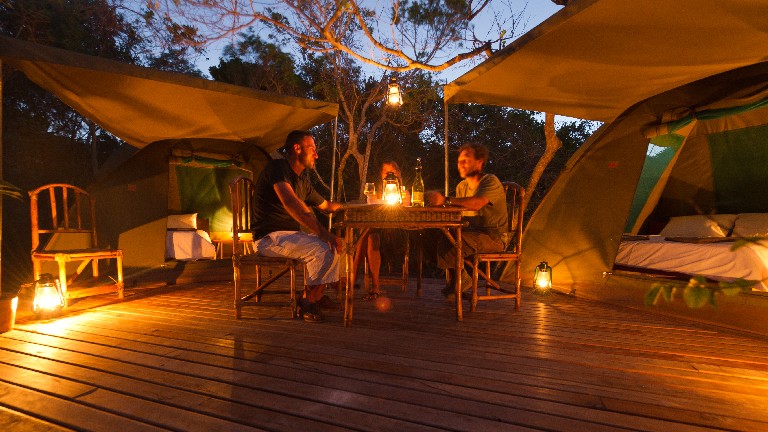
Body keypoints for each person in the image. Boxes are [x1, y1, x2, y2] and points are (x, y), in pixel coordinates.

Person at [251, 130, 343, 323]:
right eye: (312, 149)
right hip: (269, 238)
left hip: (290, 237)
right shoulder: (278, 168)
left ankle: (314, 296)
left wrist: (357, 205)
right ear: (297, 148)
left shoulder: (302, 182)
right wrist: (323, 233)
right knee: (324, 247)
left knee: (337, 246)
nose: (316, 155)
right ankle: (307, 303)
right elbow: (291, 202)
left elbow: (327, 206)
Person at [425, 142, 507, 296]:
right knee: (444, 236)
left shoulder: (490, 181)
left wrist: (446, 200)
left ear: (479, 162)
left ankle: (460, 279)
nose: (461, 164)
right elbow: (457, 211)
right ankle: (460, 278)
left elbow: (476, 204)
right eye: (459, 161)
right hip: (470, 233)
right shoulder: (461, 187)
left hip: (493, 237)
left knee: (456, 241)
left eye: (466, 160)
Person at [353, 160, 410, 301]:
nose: (389, 175)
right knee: (370, 235)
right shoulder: (376, 194)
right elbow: (370, 211)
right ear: (381, 174)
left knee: (365, 231)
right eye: (386, 172)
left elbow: (406, 213)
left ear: (398, 174)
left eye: (393, 172)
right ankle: (375, 287)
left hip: (397, 234)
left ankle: (351, 277)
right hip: (377, 234)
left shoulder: (404, 193)